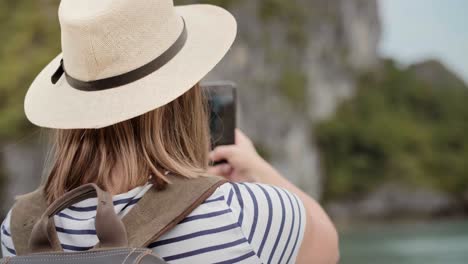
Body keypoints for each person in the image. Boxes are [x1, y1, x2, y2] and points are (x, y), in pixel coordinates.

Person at [0, 0, 338, 263]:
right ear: (183, 97)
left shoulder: (19, 228)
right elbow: (327, 247)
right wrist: (257, 168)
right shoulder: (243, 214)